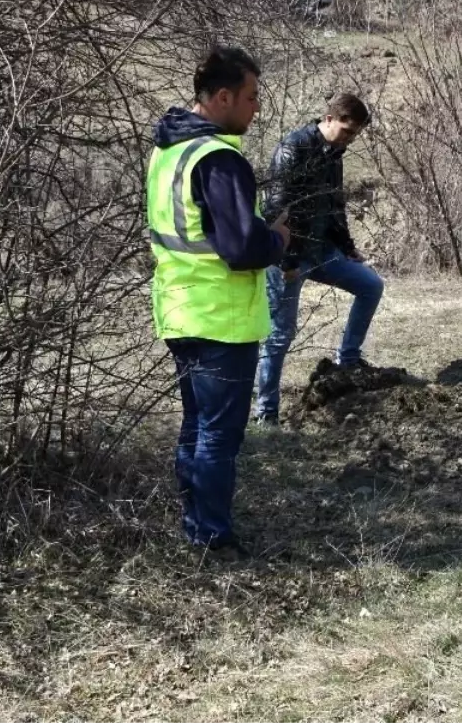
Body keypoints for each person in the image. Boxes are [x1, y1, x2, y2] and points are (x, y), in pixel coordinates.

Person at [147, 45, 289, 556]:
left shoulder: (169, 150)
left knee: (196, 425)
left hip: (180, 309)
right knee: (217, 436)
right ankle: (212, 538)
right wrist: (277, 240)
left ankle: (195, 524)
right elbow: (241, 249)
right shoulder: (218, 160)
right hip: (219, 319)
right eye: (251, 97)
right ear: (224, 97)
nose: (256, 108)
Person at [254, 93, 382, 427]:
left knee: (371, 285)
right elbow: (277, 209)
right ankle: (266, 413)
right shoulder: (292, 149)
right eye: (346, 131)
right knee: (280, 334)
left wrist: (348, 246)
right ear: (328, 119)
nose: (349, 140)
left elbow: (334, 204)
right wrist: (288, 260)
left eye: (354, 135)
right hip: (287, 256)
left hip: (322, 251)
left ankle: (348, 360)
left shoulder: (335, 153)